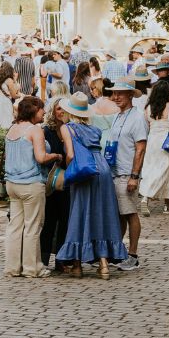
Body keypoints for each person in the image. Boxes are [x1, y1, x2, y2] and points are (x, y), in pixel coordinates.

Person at [55, 92, 129, 278]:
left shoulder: (67, 128)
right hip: (102, 170)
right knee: (101, 214)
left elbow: (71, 154)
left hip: (84, 170)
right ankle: (104, 264)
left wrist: (69, 170)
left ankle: (77, 266)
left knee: (79, 213)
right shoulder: (94, 129)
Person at [3, 96, 62, 278]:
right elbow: (41, 157)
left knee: (15, 227)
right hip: (30, 184)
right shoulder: (35, 130)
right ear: (34, 110)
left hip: (12, 184)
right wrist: (56, 156)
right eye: (42, 109)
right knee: (33, 227)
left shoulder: (12, 128)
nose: (44, 112)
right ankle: (32, 268)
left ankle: (13, 267)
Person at [102, 78, 147, 269]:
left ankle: (133, 255)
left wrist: (134, 176)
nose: (116, 97)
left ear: (130, 95)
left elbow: (140, 149)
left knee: (130, 213)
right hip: (115, 171)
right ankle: (117, 252)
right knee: (119, 214)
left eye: (120, 93)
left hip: (127, 173)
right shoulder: (117, 116)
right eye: (114, 93)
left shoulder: (138, 117)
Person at [138, 82, 169, 216]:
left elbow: (147, 126)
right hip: (168, 141)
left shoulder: (147, 108)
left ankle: (146, 198)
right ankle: (165, 204)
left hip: (153, 140)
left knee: (150, 169)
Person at [39, 95, 70, 271]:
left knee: (65, 221)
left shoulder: (71, 129)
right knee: (49, 221)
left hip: (67, 182)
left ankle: (61, 259)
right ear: (53, 111)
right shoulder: (46, 131)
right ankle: (43, 260)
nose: (62, 112)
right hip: (50, 182)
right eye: (59, 109)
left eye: (65, 109)